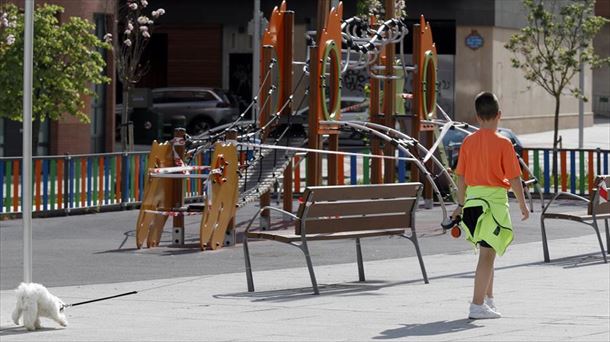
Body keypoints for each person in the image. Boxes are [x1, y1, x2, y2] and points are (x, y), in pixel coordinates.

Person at [451, 91, 530, 320]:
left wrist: (460, 204)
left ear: (477, 116)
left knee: (489, 251)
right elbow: (514, 178)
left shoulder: (468, 142)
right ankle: (477, 305)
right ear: (499, 115)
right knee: (487, 255)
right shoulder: (504, 143)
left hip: (473, 204)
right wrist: (523, 205)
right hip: (493, 204)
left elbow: (461, 177)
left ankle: (488, 299)